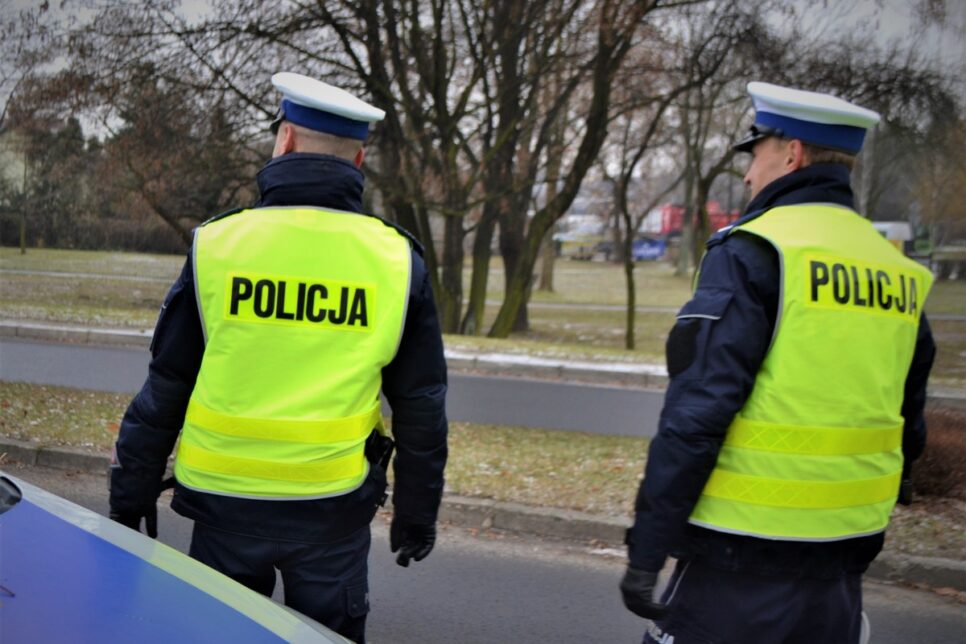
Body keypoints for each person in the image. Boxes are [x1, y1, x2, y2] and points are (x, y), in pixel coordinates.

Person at [109, 72, 448, 643]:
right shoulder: (396, 260)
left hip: (223, 507)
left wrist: (132, 486)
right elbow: (421, 405)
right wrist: (417, 511)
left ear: (285, 140)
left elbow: (169, 380)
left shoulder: (218, 244)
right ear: (359, 159)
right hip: (331, 510)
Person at [620, 81, 937, 643]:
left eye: (756, 152)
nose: (746, 174)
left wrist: (648, 548)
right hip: (846, 550)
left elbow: (697, 416)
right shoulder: (895, 269)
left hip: (742, 551)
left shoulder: (753, 250)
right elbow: (909, 417)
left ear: (791, 153)